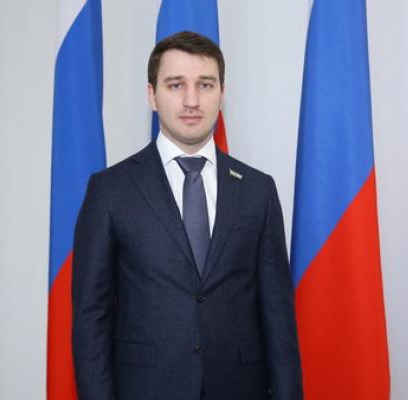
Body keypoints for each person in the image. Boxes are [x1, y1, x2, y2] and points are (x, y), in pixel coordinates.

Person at [72, 31, 302, 400]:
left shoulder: (258, 190)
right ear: (152, 95)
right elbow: (91, 317)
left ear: (222, 93)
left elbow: (278, 314)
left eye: (205, 85)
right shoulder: (110, 191)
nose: (191, 100)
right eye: (176, 84)